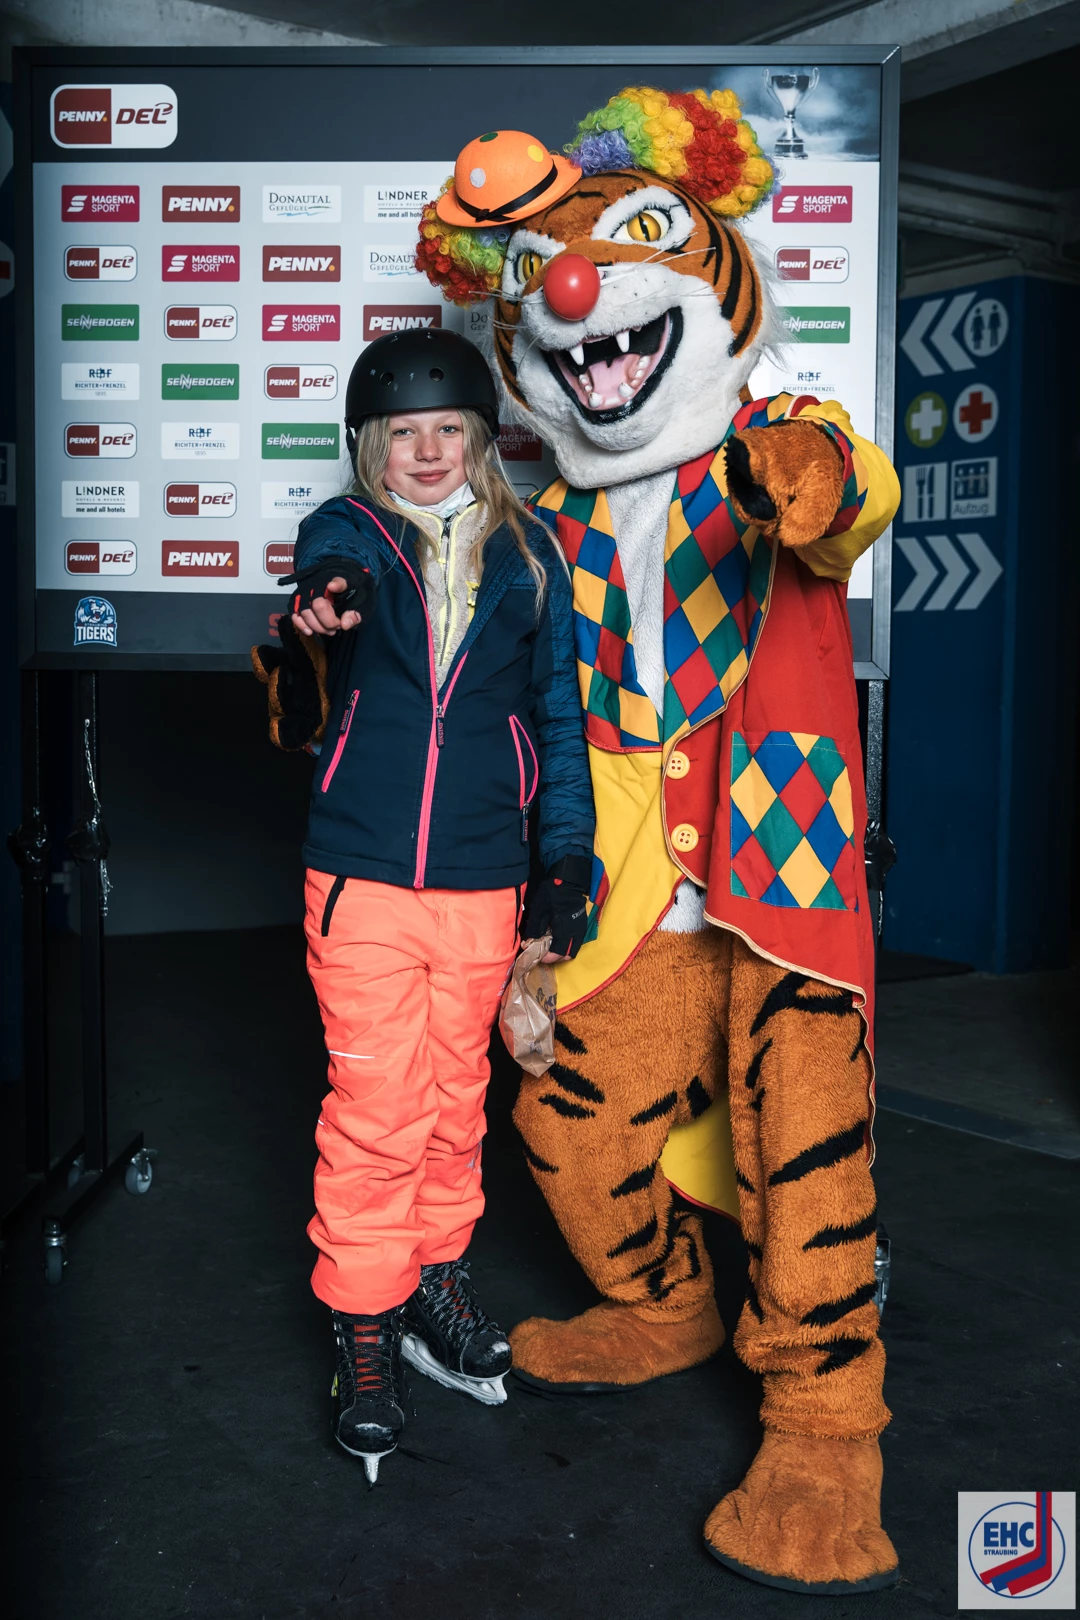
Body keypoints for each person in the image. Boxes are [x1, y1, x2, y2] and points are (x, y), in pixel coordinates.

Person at [263, 328, 595, 1483]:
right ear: (372, 444)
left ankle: (432, 1284)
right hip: (361, 878)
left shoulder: (532, 552)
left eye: (447, 428)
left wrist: (566, 862)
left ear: (481, 437)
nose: (427, 449)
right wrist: (330, 598)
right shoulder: (354, 531)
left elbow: (558, 717)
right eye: (402, 432)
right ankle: (365, 1323)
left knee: (457, 1103)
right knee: (377, 1109)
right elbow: (329, 558)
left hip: (484, 879)